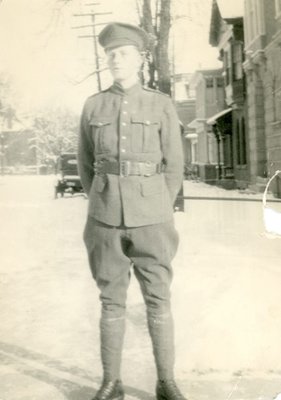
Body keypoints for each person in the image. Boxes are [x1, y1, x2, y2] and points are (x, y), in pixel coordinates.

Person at [78, 22, 186, 400]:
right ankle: (112, 382)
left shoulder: (160, 104)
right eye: (111, 53)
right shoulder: (94, 105)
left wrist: (158, 204)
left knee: (158, 298)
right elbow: (86, 165)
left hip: (152, 220)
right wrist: (102, 201)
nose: (115, 59)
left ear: (140, 59)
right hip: (104, 219)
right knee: (111, 300)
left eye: (123, 53)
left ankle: (165, 382)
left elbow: (174, 166)